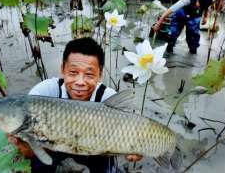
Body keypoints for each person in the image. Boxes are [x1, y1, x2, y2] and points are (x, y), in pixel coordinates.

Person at [9, 37, 142, 173]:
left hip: (95, 148)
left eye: (89, 74)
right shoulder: (44, 92)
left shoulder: (108, 97)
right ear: (62, 69)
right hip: (54, 146)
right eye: (73, 72)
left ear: (100, 75)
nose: (80, 82)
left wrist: (135, 148)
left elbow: (131, 130)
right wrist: (23, 144)